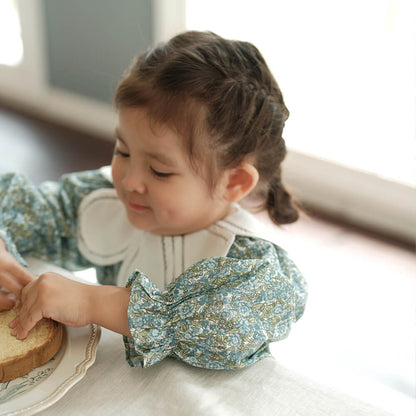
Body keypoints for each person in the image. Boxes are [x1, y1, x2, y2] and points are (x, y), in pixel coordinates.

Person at [0, 31, 307, 370]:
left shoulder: (253, 265)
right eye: (123, 151)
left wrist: (91, 302)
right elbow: (25, 207)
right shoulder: (103, 200)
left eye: (159, 171)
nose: (130, 180)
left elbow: (227, 327)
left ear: (233, 182)